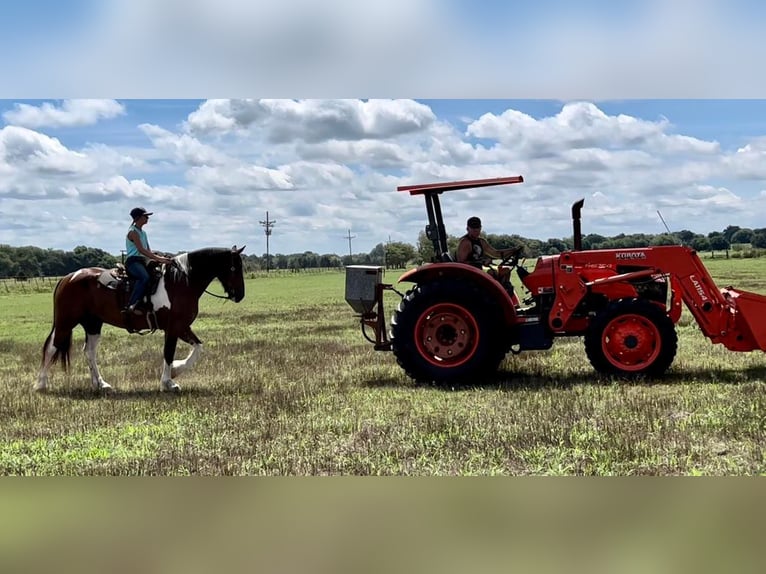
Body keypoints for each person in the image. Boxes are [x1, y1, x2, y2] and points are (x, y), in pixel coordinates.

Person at [124, 207, 173, 314]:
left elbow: (148, 250)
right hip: (133, 261)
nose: (147, 218)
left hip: (142, 261)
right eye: (145, 216)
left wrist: (159, 256)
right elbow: (141, 250)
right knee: (144, 278)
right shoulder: (133, 232)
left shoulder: (143, 233)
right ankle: (131, 304)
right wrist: (159, 259)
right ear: (138, 218)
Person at [456, 216, 522, 289]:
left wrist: (513, 250)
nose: (475, 231)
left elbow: (496, 253)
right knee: (491, 272)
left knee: (506, 270)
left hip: (480, 269)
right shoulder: (465, 242)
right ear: (468, 229)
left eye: (477, 228)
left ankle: (504, 291)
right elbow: (461, 263)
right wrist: (482, 262)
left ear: (480, 228)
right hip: (472, 272)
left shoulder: (481, 241)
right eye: (473, 228)